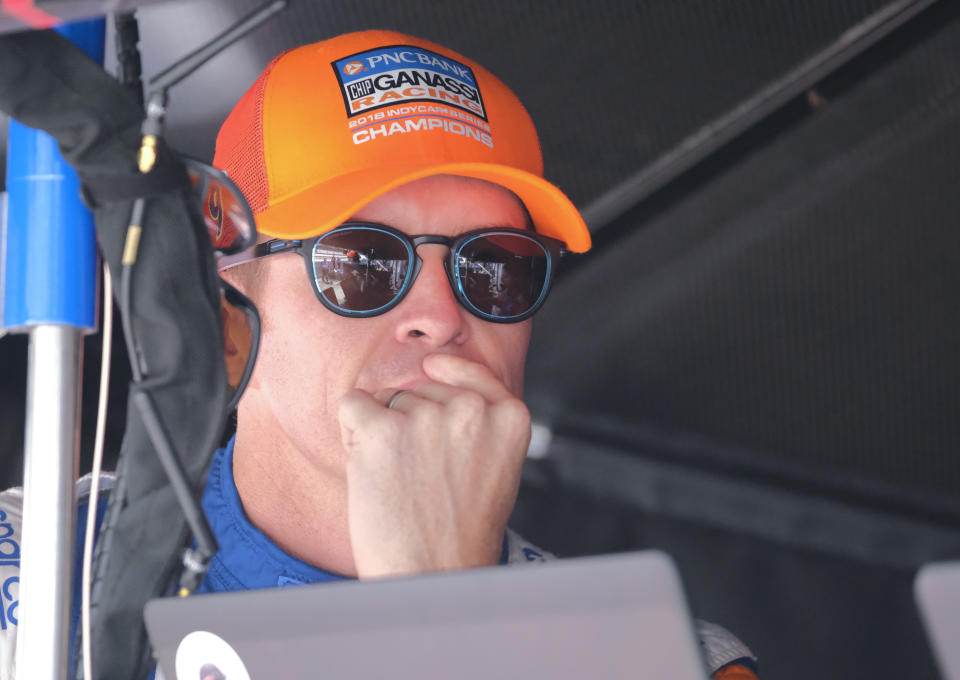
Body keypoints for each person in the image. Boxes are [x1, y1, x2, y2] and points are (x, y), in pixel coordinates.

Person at [0, 29, 758, 679]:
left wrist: (444, 609)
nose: (439, 316)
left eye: (493, 267)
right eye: (363, 263)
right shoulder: (28, 571)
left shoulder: (657, 655)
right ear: (224, 292)